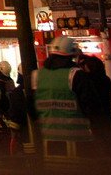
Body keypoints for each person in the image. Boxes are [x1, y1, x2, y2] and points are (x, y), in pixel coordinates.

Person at [32, 36, 93, 166]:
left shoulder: (38, 75)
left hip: (48, 145)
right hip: (78, 144)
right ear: (71, 55)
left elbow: (32, 108)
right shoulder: (76, 75)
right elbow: (90, 107)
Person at [77, 55, 111, 156]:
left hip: (95, 119)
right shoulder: (105, 79)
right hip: (107, 117)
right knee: (109, 146)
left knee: (99, 147)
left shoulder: (89, 81)